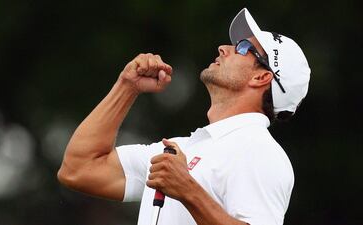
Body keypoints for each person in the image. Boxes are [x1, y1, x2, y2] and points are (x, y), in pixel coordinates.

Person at [57, 8, 310, 225]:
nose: (224, 48)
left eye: (243, 48)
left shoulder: (260, 151)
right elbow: (79, 169)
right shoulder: (186, 148)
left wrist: (187, 189)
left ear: (262, 77)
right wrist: (127, 87)